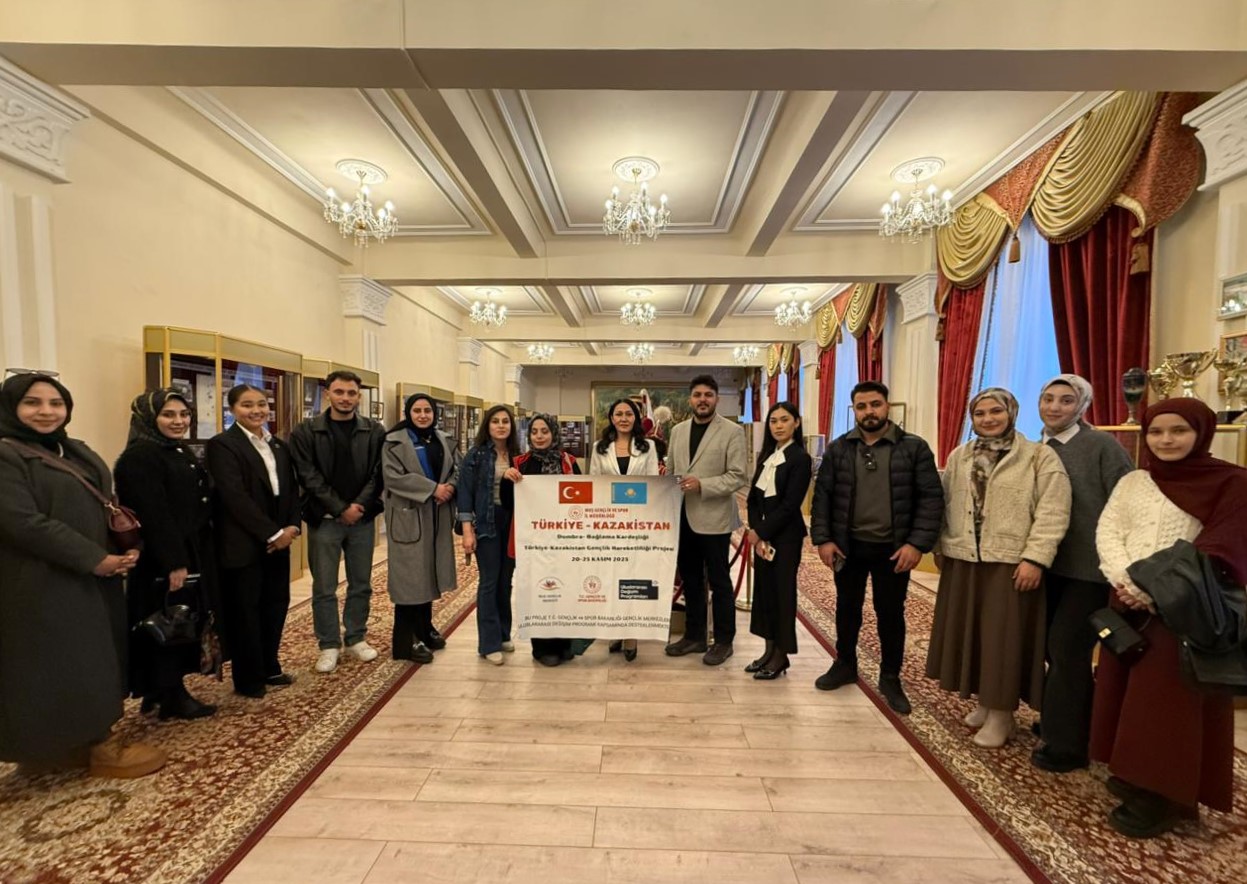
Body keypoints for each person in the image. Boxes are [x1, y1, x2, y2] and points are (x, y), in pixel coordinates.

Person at [1090, 399, 1247, 837]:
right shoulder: (1135, 481)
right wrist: (1126, 582)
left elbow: (1222, 549)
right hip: (1127, 601)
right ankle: (1132, 772)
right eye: (1157, 431)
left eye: (1178, 430)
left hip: (1185, 613)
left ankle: (1162, 795)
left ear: (1201, 432)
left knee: (1166, 706)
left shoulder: (1232, 483)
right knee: (1125, 695)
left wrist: (1154, 591)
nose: (1166, 440)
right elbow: (1109, 531)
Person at [0, 372, 165, 777]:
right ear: (11, 408)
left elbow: (104, 504)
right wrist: (93, 558)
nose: (46, 411)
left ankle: (78, 743)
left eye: (55, 403)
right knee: (61, 662)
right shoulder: (7, 454)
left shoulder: (71, 449)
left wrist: (121, 549)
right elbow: (23, 522)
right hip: (41, 581)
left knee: (94, 656)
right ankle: (80, 745)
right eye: (32, 403)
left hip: (91, 577)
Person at [925, 387, 1070, 747]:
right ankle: (986, 701)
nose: (988, 419)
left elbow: (1053, 511)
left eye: (996, 412)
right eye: (980, 413)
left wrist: (1035, 558)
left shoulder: (1038, 456)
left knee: (1003, 639)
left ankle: (1003, 713)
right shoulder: (960, 456)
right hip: (965, 559)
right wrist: (941, 546)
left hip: (1010, 562)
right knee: (973, 634)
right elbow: (945, 502)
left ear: (1012, 413)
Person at [809, 381, 944, 713]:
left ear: (887, 406)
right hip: (848, 547)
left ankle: (890, 676)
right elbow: (823, 497)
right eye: (861, 406)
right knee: (847, 609)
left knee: (891, 613)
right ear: (854, 410)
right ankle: (845, 664)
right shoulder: (839, 449)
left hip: (894, 550)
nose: (869, 411)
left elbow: (931, 499)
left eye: (875, 404)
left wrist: (916, 544)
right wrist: (824, 539)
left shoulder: (914, 448)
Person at [1029, 375, 1134, 773]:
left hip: (1089, 570)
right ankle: (1073, 721)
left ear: (1083, 405)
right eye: (1048, 399)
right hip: (1046, 565)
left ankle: (1066, 745)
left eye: (1066, 400)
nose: (1055, 407)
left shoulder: (1102, 446)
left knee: (1068, 649)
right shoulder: (1036, 447)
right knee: (1048, 649)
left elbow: (1128, 502)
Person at [114, 388, 221, 720]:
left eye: (184, 414)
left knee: (179, 619)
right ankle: (170, 694)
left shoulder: (174, 449)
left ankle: (159, 691)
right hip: (163, 559)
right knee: (167, 621)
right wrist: (174, 562)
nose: (178, 421)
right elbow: (154, 515)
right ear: (149, 418)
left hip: (187, 549)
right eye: (168, 415)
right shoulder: (139, 457)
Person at [206, 383, 302, 698]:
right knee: (246, 611)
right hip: (243, 543)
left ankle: (270, 666)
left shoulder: (278, 446)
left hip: (279, 541)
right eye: (247, 405)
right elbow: (234, 497)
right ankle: (249, 678)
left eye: (261, 404)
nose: (256, 411)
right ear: (232, 409)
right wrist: (272, 533)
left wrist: (291, 527)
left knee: (275, 605)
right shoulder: (223, 445)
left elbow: (291, 490)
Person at [289, 370, 386, 674]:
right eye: (339, 392)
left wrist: (358, 506)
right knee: (324, 586)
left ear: (359, 396)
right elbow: (307, 475)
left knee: (361, 583)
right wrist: (340, 508)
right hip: (324, 520)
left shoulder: (374, 431)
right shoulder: (306, 432)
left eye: (351, 393)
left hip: (362, 520)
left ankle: (356, 636)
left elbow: (378, 473)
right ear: (327, 393)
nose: (345, 398)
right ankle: (329, 644)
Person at [665, 374, 748, 666]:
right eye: (698, 395)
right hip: (683, 517)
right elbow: (671, 471)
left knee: (719, 582)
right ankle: (694, 636)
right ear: (690, 399)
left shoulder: (733, 432)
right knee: (690, 580)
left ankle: (724, 641)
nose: (703, 400)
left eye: (708, 395)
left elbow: (738, 476)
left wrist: (703, 485)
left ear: (716, 399)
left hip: (715, 519)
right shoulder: (678, 431)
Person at [381, 393, 458, 664]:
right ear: (408, 413)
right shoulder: (393, 441)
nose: (423, 415)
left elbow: (456, 469)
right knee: (410, 580)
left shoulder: (442, 439)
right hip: (409, 516)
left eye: (427, 410)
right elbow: (392, 477)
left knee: (428, 573)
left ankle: (425, 629)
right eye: (417, 411)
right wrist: (433, 489)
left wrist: (450, 487)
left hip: (437, 515)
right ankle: (406, 641)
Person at [587, 398, 663, 662]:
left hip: (638, 522)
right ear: (611, 418)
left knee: (635, 578)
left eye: (628, 414)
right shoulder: (599, 447)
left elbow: (653, 482)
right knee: (611, 576)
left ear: (636, 418)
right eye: (618, 414)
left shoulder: (648, 447)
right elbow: (594, 483)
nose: (623, 418)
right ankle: (615, 629)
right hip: (608, 522)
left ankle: (632, 634)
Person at [744, 402, 812, 680]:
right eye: (773, 421)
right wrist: (755, 529)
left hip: (785, 539)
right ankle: (768, 650)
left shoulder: (800, 459)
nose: (778, 426)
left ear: (796, 422)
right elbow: (752, 499)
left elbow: (789, 505)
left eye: (784, 420)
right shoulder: (767, 456)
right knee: (765, 594)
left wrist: (761, 532)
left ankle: (781, 656)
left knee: (782, 596)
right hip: (763, 537)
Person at [507, 414, 582, 666]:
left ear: (554, 434)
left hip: (564, 538)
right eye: (534, 432)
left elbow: (583, 497)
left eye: (544, 431)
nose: (539, 436)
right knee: (539, 592)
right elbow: (509, 502)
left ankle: (563, 643)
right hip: (533, 541)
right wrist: (508, 480)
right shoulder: (520, 463)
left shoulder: (569, 462)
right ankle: (542, 648)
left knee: (565, 590)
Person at [458, 404, 521, 665]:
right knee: (489, 582)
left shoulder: (518, 454)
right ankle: (489, 643)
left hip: (513, 523)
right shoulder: (476, 455)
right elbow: (464, 493)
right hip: (486, 523)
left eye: (505, 421)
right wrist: (467, 531)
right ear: (488, 425)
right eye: (495, 421)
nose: (501, 426)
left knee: (506, 581)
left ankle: (504, 633)